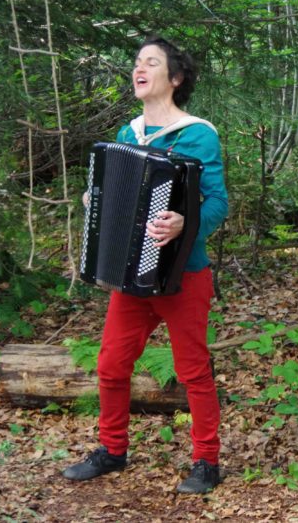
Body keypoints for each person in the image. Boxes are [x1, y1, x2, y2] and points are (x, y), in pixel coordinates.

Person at [62, 36, 228, 494]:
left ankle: (207, 462)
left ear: (175, 78)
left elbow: (217, 202)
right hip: (131, 276)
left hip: (183, 273)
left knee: (192, 370)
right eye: (137, 62)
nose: (140, 68)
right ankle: (112, 450)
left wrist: (185, 223)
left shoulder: (197, 134)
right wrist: (95, 201)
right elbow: (120, 200)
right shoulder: (127, 134)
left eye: (151, 63)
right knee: (112, 364)